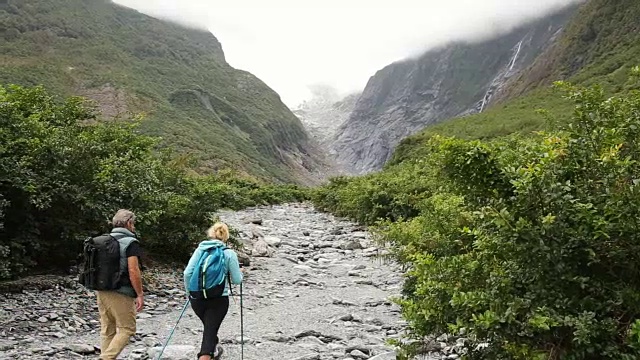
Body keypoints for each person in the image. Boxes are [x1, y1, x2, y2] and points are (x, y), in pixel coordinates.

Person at [184, 222, 243, 360]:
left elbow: (187, 273)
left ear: (211, 234)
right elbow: (237, 280)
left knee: (210, 329)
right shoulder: (229, 253)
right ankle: (207, 354)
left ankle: (214, 350)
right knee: (209, 332)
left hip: (197, 299)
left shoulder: (201, 249)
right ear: (226, 236)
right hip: (218, 300)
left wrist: (189, 293)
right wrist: (242, 274)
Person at [97, 209, 144, 360]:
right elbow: (133, 270)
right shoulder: (131, 243)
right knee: (127, 329)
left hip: (101, 289)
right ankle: (105, 358)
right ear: (129, 223)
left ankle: (106, 356)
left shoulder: (103, 240)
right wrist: (139, 294)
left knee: (107, 329)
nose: (134, 227)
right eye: (133, 224)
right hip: (121, 291)